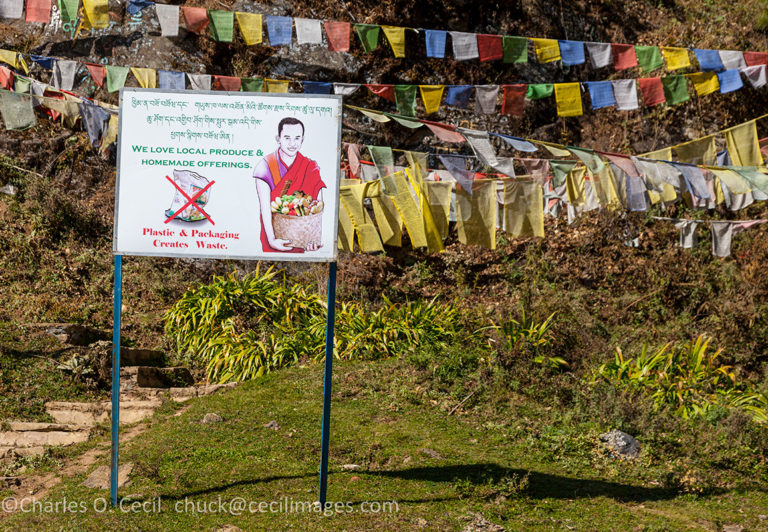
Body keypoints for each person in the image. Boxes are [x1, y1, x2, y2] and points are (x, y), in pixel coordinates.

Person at [253, 117, 325, 252]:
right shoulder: (265, 166)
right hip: (274, 237)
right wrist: (272, 240)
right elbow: (265, 208)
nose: (292, 143)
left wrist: (314, 238)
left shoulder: (310, 167)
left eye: (297, 138)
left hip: (302, 238)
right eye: (287, 138)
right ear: (278, 138)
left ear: (302, 139)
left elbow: (318, 206)